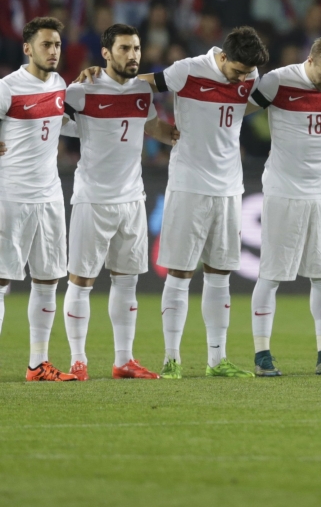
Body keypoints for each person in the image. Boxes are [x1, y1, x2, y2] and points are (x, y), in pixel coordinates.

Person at [79, 26, 270, 378]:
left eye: (247, 74)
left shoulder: (250, 72)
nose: (242, 79)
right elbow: (139, 83)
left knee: (220, 275)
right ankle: (172, 359)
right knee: (180, 274)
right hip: (188, 186)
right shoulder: (188, 70)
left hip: (230, 187)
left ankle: (217, 360)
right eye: (238, 71)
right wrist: (98, 74)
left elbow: (252, 102)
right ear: (223, 57)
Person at [60, 23, 178, 381]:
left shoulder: (143, 91)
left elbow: (153, 128)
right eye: (125, 49)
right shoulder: (82, 90)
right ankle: (78, 360)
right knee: (81, 281)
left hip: (132, 199)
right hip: (93, 199)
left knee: (127, 282)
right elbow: (47, 119)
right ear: (106, 54)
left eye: (137, 49)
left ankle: (124, 360)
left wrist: (184, 138)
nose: (133, 55)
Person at [247, 36, 321, 377]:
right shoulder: (277, 81)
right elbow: (237, 108)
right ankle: (262, 356)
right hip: (284, 192)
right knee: (270, 275)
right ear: (309, 60)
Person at [0, 17, 73, 381]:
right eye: (46, 44)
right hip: (11, 196)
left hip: (50, 196)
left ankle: (38, 364)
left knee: (48, 279)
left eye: (57, 44)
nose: (54, 51)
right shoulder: (8, 88)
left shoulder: (61, 84)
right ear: (27, 48)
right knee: (0, 280)